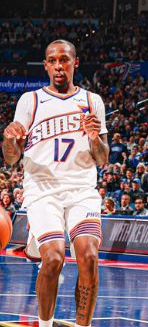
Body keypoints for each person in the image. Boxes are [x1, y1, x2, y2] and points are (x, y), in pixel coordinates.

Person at [2, 40, 108, 327]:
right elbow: (11, 159)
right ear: (46, 65)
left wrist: (95, 137)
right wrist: (10, 139)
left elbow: (102, 158)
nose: (59, 65)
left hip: (81, 190)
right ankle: (45, 324)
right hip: (42, 190)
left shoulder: (92, 101)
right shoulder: (31, 100)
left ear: (75, 62)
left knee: (88, 256)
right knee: (53, 258)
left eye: (64, 59)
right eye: (52, 60)